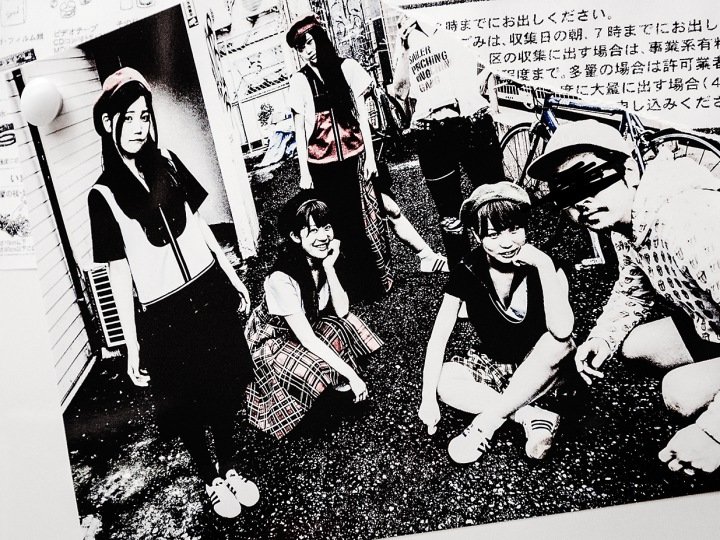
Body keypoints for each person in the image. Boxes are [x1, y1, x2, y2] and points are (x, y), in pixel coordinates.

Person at [88, 68, 259, 519]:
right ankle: (210, 480)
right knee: (187, 404)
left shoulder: (167, 160)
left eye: (145, 116)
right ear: (108, 123)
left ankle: (230, 467)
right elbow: (119, 272)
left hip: (208, 290)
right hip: (165, 314)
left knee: (224, 387)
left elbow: (200, 225)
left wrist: (232, 275)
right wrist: (129, 343)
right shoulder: (101, 195)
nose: (139, 126)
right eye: (128, 118)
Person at [526, 118, 720, 474]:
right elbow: (632, 290)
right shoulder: (628, 221)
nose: (581, 203)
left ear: (629, 170)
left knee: (679, 392)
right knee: (635, 347)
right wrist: (602, 337)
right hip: (711, 323)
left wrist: (712, 432)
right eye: (565, 194)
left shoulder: (690, 221)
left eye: (589, 179)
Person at [286, 15, 448, 301]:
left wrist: (370, 159)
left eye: (310, 43)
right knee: (337, 224)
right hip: (322, 166)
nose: (307, 51)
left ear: (321, 40)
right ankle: (347, 287)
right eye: (301, 48)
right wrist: (304, 172)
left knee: (377, 212)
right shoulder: (300, 81)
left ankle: (414, 261)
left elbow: (362, 117)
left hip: (356, 159)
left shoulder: (346, 68)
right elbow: (299, 131)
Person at [418, 182, 575, 464]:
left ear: (526, 228)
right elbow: (439, 336)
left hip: (543, 369)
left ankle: (486, 423)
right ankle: (529, 416)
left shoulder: (546, 263)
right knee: (445, 379)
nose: (506, 242)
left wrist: (542, 265)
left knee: (560, 344)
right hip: (496, 364)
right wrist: (427, 399)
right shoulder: (468, 269)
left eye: (514, 229)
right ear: (476, 236)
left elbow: (562, 331)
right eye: (493, 234)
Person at [244, 192, 381, 439]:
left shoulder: (324, 258)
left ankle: (331, 388)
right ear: (295, 237)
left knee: (345, 324)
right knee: (312, 368)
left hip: (306, 323)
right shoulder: (280, 278)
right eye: (313, 230)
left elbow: (342, 310)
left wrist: (330, 268)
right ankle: (310, 404)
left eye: (326, 227)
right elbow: (307, 339)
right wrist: (351, 375)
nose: (323, 236)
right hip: (272, 338)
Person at [389, 15, 505, 267]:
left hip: (472, 124)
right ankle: (464, 279)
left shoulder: (457, 17)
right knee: (451, 217)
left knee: (495, 202)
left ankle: (507, 270)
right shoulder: (409, 33)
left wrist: (487, 91)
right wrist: (405, 48)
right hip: (432, 131)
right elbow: (400, 90)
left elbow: (493, 52)